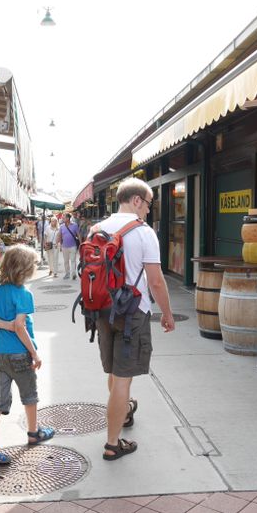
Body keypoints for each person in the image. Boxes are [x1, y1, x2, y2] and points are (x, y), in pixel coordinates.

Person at [93, 178, 175, 461]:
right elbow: (156, 281)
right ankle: (113, 444)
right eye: (149, 204)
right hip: (133, 312)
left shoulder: (97, 229)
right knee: (123, 379)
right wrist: (166, 313)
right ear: (137, 200)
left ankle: (124, 413)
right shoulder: (144, 233)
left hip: (102, 309)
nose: (149, 211)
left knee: (115, 373)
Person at [0, 244, 55, 464]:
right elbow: (20, 327)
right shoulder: (24, 294)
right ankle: (33, 432)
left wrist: (5, 325)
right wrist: (35, 354)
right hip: (20, 355)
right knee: (29, 395)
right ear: (25, 270)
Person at [60, 213, 80, 279]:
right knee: (66, 261)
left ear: (68, 218)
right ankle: (67, 273)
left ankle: (73, 274)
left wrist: (81, 243)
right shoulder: (62, 226)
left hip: (73, 246)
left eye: (64, 217)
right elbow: (60, 236)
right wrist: (60, 244)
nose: (62, 218)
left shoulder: (75, 225)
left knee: (73, 260)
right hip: (64, 246)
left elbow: (78, 235)